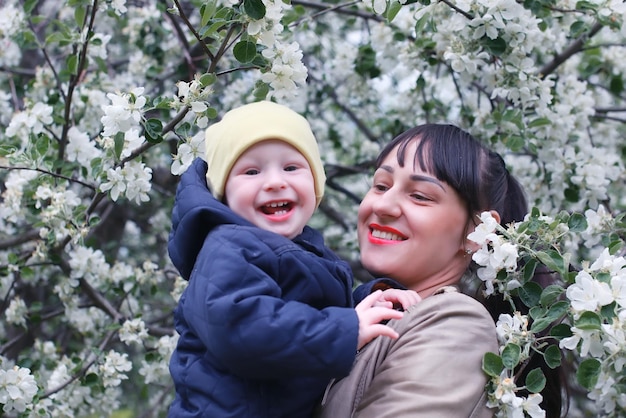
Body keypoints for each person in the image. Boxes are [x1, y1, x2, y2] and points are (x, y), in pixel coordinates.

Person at [167, 101, 420, 418]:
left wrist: (372, 300)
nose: (274, 182)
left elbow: (309, 313)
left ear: (316, 184)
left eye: (291, 168)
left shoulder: (299, 248)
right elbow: (243, 328)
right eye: (251, 171)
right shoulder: (228, 247)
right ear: (224, 194)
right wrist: (345, 330)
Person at [316, 124, 564, 417]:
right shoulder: (360, 316)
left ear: (477, 232)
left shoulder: (455, 325)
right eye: (381, 185)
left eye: (419, 195)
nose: (384, 205)